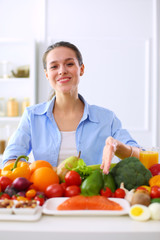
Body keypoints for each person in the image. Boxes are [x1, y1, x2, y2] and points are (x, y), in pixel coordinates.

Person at [2, 41, 140, 174]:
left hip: (91, 194)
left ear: (81, 69)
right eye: (54, 66)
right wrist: (54, 171)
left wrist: (118, 146)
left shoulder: (106, 118)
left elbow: (142, 157)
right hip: (44, 195)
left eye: (69, 64)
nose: (62, 71)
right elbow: (9, 162)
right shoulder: (32, 116)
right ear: (47, 74)